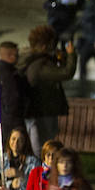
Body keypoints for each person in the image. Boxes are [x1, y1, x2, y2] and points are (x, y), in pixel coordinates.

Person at [19, 24, 77, 157]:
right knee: (42, 149)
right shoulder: (39, 66)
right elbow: (66, 73)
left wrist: (60, 59)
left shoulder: (33, 58)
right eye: (52, 44)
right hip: (42, 111)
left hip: (38, 110)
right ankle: (41, 174)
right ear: (45, 46)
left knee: (41, 146)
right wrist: (71, 54)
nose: (54, 47)